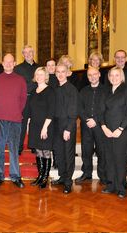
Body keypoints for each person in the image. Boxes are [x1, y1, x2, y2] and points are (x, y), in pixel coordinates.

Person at [0, 53, 27, 188]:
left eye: (11, 62)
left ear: (15, 63)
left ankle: (16, 176)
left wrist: (16, 111)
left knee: (13, 150)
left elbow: (23, 99)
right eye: (6, 62)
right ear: (2, 63)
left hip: (15, 120)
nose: (8, 64)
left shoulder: (21, 80)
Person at [100, 67, 127, 198]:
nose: (114, 78)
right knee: (109, 158)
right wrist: (104, 127)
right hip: (107, 131)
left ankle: (121, 188)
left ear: (122, 77)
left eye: (117, 75)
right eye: (111, 75)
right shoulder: (106, 91)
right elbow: (101, 112)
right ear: (108, 77)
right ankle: (111, 185)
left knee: (120, 159)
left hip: (122, 131)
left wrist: (120, 129)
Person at [76, 67, 107, 185]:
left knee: (101, 150)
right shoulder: (83, 91)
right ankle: (87, 173)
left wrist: (96, 120)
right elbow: (80, 107)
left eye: (95, 74)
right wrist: (86, 119)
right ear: (87, 77)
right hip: (86, 125)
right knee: (86, 150)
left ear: (99, 74)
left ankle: (103, 174)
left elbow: (106, 108)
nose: (92, 77)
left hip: (100, 125)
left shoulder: (106, 90)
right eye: (90, 75)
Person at [51, 64, 79, 194]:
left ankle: (68, 182)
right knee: (59, 152)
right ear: (55, 73)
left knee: (68, 154)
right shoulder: (55, 88)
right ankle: (62, 177)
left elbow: (73, 111)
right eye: (58, 72)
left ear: (67, 73)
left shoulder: (71, 90)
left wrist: (68, 129)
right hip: (56, 125)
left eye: (63, 72)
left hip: (67, 124)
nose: (60, 74)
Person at [27, 67, 55, 189]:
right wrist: (28, 124)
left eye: (41, 74)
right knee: (38, 151)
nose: (39, 76)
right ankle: (40, 176)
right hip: (34, 125)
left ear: (46, 76)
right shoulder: (33, 91)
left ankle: (45, 178)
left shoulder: (50, 91)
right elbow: (29, 110)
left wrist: (45, 127)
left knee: (46, 151)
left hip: (46, 125)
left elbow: (51, 111)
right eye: (37, 74)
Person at [14, 45, 39, 155]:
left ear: (33, 53)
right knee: (22, 123)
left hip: (36, 99)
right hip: (23, 99)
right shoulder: (17, 69)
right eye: (25, 52)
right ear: (23, 54)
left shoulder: (39, 68)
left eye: (30, 52)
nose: (28, 54)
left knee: (35, 123)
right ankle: (19, 147)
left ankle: (34, 146)